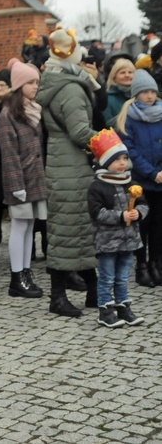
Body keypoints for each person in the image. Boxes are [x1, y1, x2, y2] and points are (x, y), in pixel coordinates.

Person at [36, 26, 101, 317]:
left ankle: (93, 290)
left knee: (75, 231)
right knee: (68, 233)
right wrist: (108, 142)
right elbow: (79, 132)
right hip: (71, 167)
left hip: (64, 166)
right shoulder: (72, 88)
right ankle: (58, 297)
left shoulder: (57, 81)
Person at [0, 59, 48, 299]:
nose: (35, 86)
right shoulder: (8, 114)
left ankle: (26, 271)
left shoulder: (33, 109)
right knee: (19, 227)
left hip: (35, 178)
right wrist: (16, 185)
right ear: (19, 85)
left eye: (36, 82)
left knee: (29, 226)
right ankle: (17, 276)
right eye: (30, 82)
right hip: (20, 180)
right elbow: (9, 153)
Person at [87, 129, 147, 327]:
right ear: (105, 163)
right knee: (107, 277)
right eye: (117, 159)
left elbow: (144, 204)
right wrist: (121, 216)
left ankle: (123, 307)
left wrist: (139, 212)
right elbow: (97, 214)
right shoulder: (98, 186)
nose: (122, 163)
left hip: (129, 241)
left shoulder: (131, 182)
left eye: (124, 158)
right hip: (107, 242)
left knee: (122, 277)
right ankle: (105, 310)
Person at [116, 69, 162, 287]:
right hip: (141, 181)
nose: (150, 96)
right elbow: (130, 151)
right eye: (145, 92)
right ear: (136, 94)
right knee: (142, 225)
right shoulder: (129, 118)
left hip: (161, 179)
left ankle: (156, 264)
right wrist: (152, 173)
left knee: (158, 225)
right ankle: (141, 266)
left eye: (153, 91)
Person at [103, 59, 134, 127]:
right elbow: (107, 124)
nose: (127, 75)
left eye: (130, 72)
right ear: (114, 77)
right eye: (122, 72)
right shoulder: (107, 99)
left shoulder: (140, 96)